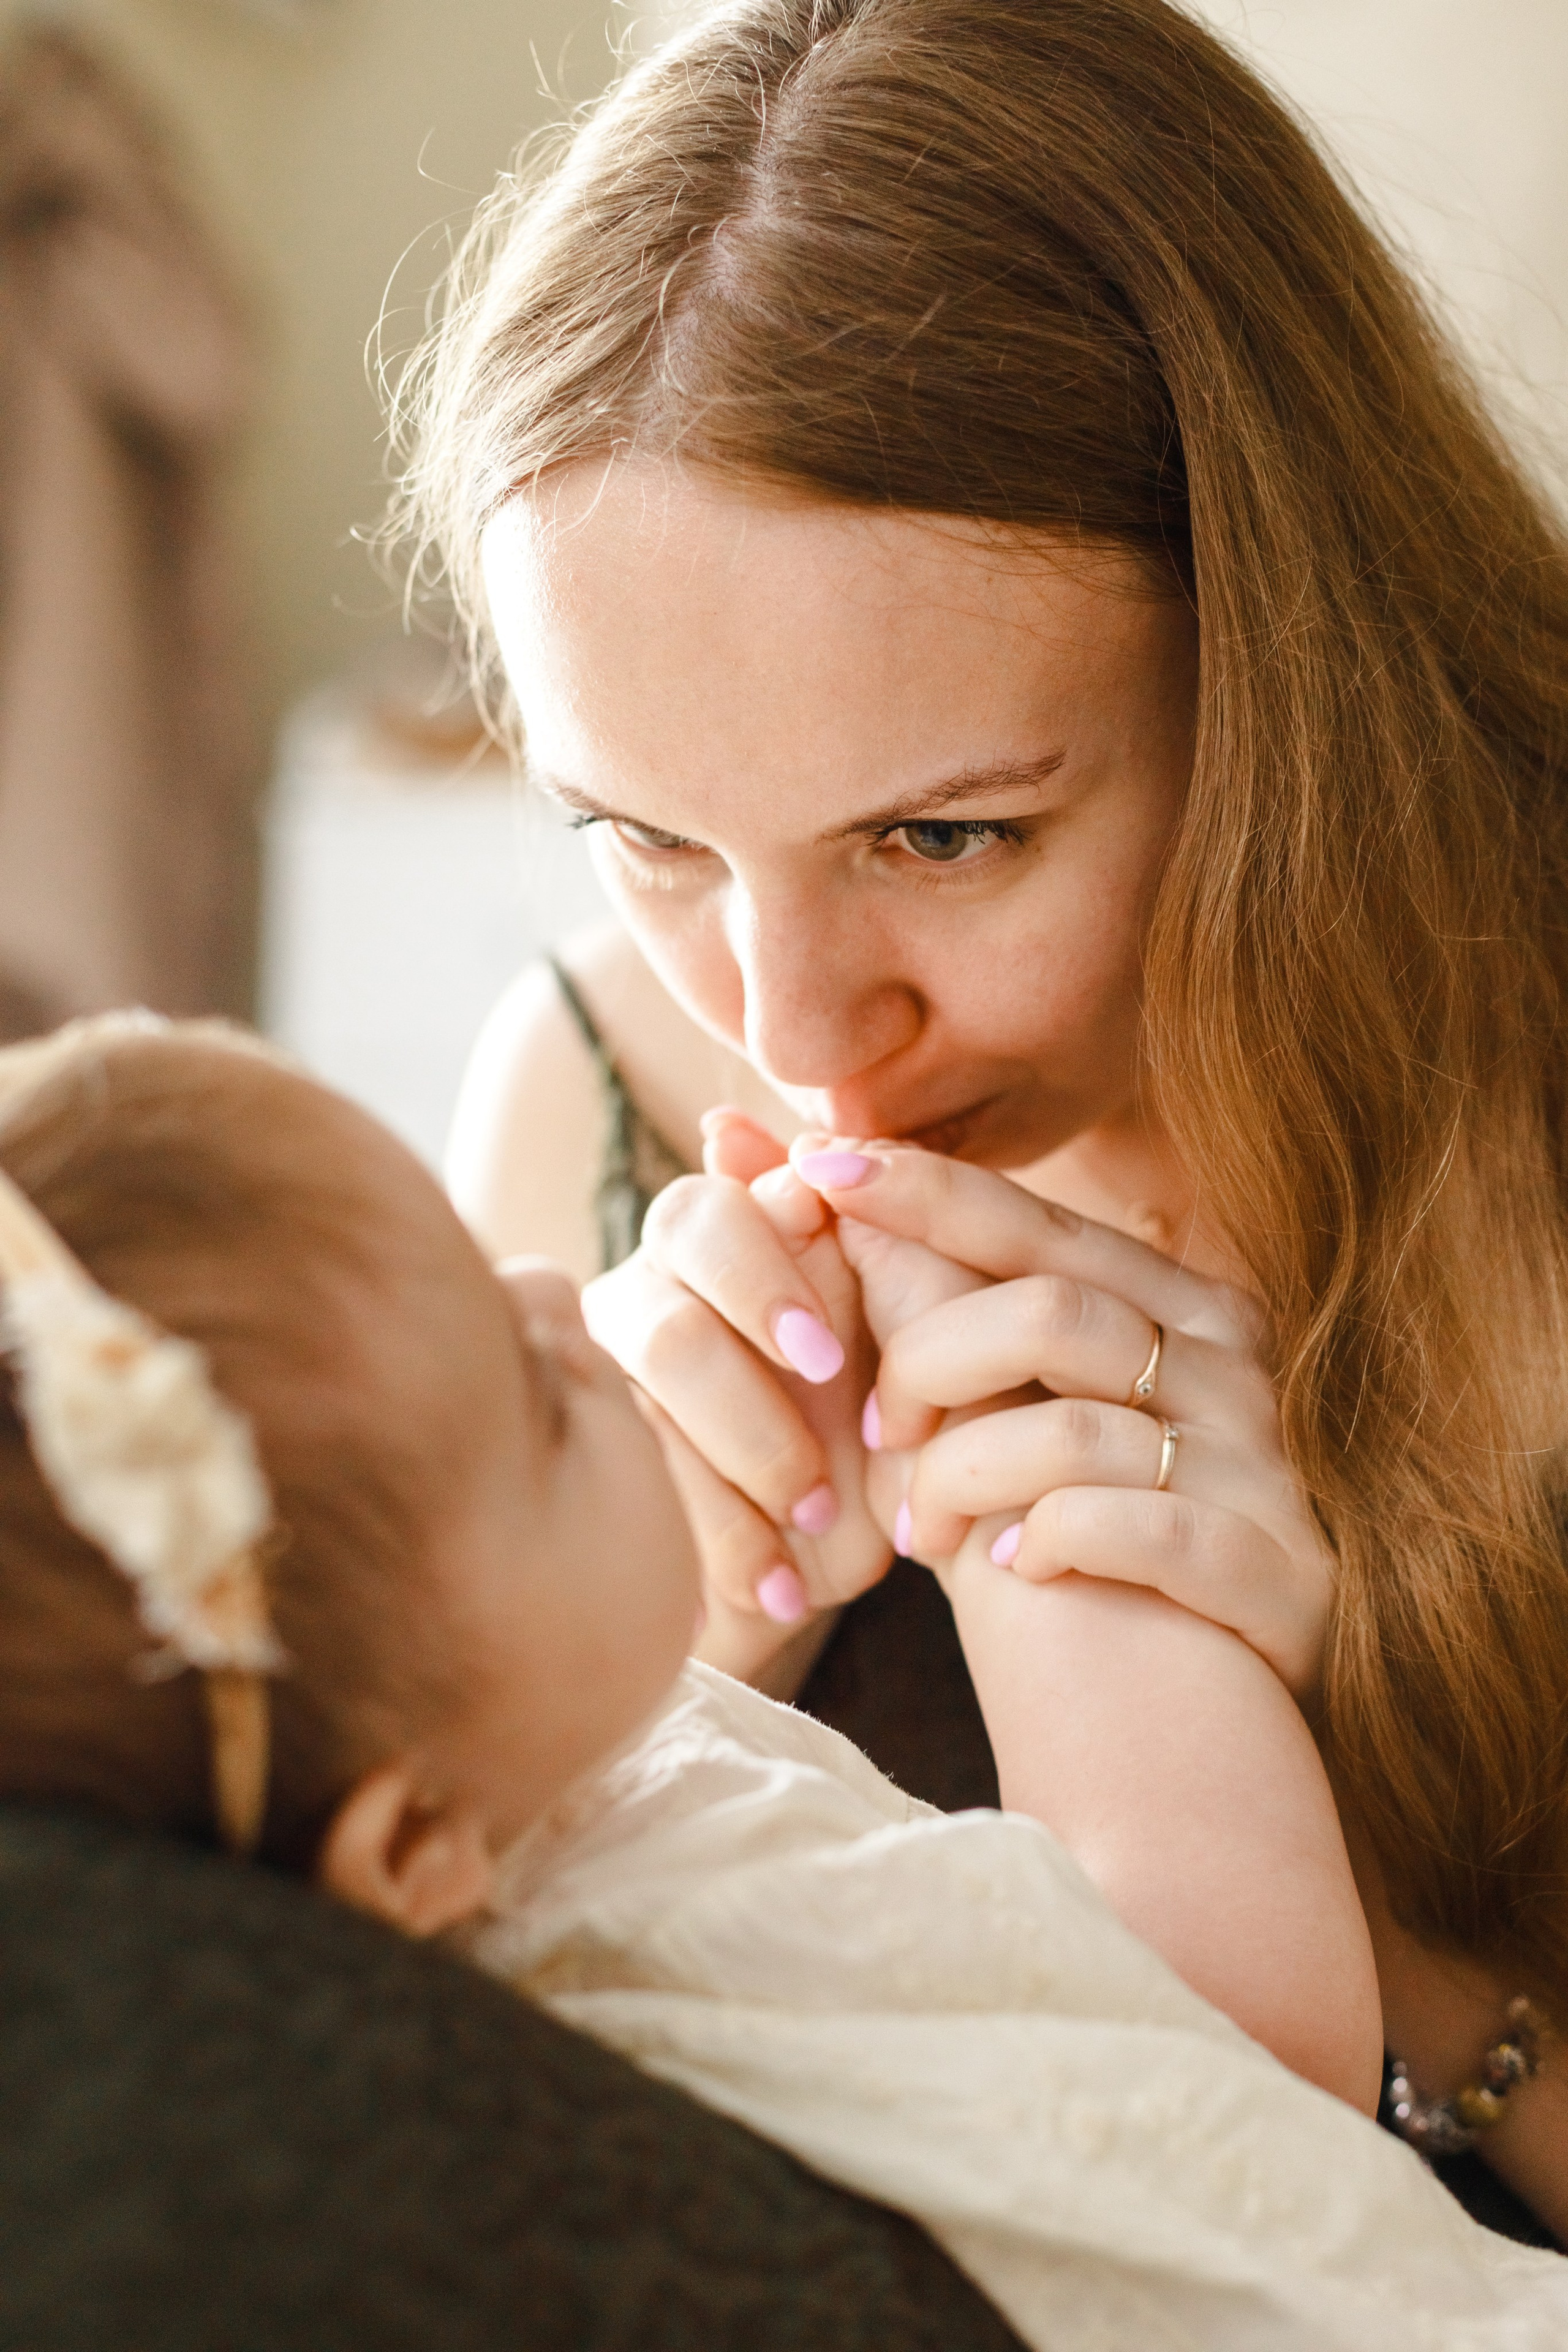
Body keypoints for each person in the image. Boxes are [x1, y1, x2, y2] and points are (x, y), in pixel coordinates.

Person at [396, 0, 1568, 2240]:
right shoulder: (587, 1100)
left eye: (945, 841)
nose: (799, 1039)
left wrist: (1407, 1924)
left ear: (1286, 691)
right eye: (643, 839)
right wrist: (642, 1652)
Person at [0, 1012, 1561, 2351]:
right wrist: (1014, 1503)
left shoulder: (451, 1780)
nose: (558, 1291)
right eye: (537, 1400)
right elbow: (1223, 2052)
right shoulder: (671, 1910)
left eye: (491, 1271)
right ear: (411, 1852)